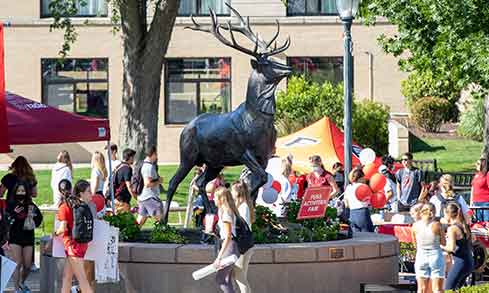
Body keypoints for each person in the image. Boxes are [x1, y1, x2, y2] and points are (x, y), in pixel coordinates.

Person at [55, 180, 94, 293]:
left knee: (82, 279)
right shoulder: (77, 204)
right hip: (81, 243)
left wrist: (55, 234)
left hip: (72, 244)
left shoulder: (64, 206)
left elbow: (62, 228)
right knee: (66, 277)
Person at [6, 180, 42, 293]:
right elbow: (6, 220)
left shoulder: (31, 206)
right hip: (14, 237)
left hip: (28, 237)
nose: (21, 193)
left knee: (27, 265)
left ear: (26, 192)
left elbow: (39, 219)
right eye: (19, 190)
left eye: (23, 191)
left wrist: (33, 218)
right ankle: (17, 289)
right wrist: (13, 214)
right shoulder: (11, 205)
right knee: (17, 263)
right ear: (15, 191)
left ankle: (22, 282)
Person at [411, 203, 445, 293]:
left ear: (422, 212)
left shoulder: (415, 226)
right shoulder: (437, 225)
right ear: (434, 212)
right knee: (437, 289)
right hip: (436, 255)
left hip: (421, 255)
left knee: (421, 289)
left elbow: (415, 244)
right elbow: (443, 243)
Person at [441, 203, 474, 291]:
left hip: (460, 263)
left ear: (448, 214)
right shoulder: (463, 225)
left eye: (444, 214)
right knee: (457, 289)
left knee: (448, 289)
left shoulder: (452, 229)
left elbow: (452, 248)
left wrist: (440, 245)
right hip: (469, 262)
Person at [214, 187, 240, 293]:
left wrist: (219, 257)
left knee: (220, 279)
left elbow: (228, 236)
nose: (213, 200)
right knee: (227, 278)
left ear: (221, 199)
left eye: (215, 197)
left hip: (229, 247)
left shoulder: (226, 214)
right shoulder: (228, 211)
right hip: (232, 246)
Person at [231, 181, 254, 293]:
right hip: (246, 245)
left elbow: (242, 227)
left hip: (243, 246)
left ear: (237, 192)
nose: (231, 192)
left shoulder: (243, 207)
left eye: (232, 190)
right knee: (241, 277)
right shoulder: (243, 205)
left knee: (240, 278)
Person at [137, 146, 164, 226]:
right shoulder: (149, 167)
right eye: (156, 154)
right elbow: (147, 184)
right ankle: (163, 236)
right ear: (153, 154)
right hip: (150, 198)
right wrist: (159, 181)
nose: (157, 157)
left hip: (143, 197)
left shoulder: (145, 165)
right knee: (161, 220)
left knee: (140, 221)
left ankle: (130, 235)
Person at [343, 168, 374, 232]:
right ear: (361, 177)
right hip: (363, 212)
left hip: (352, 213)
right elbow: (369, 201)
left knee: (356, 237)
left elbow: (346, 203)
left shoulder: (348, 187)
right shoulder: (363, 186)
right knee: (368, 235)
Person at [112, 148, 137, 213]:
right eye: (133, 157)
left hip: (116, 198)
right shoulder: (127, 168)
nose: (133, 159)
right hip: (122, 200)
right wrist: (136, 197)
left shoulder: (119, 166)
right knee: (125, 221)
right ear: (130, 157)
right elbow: (129, 185)